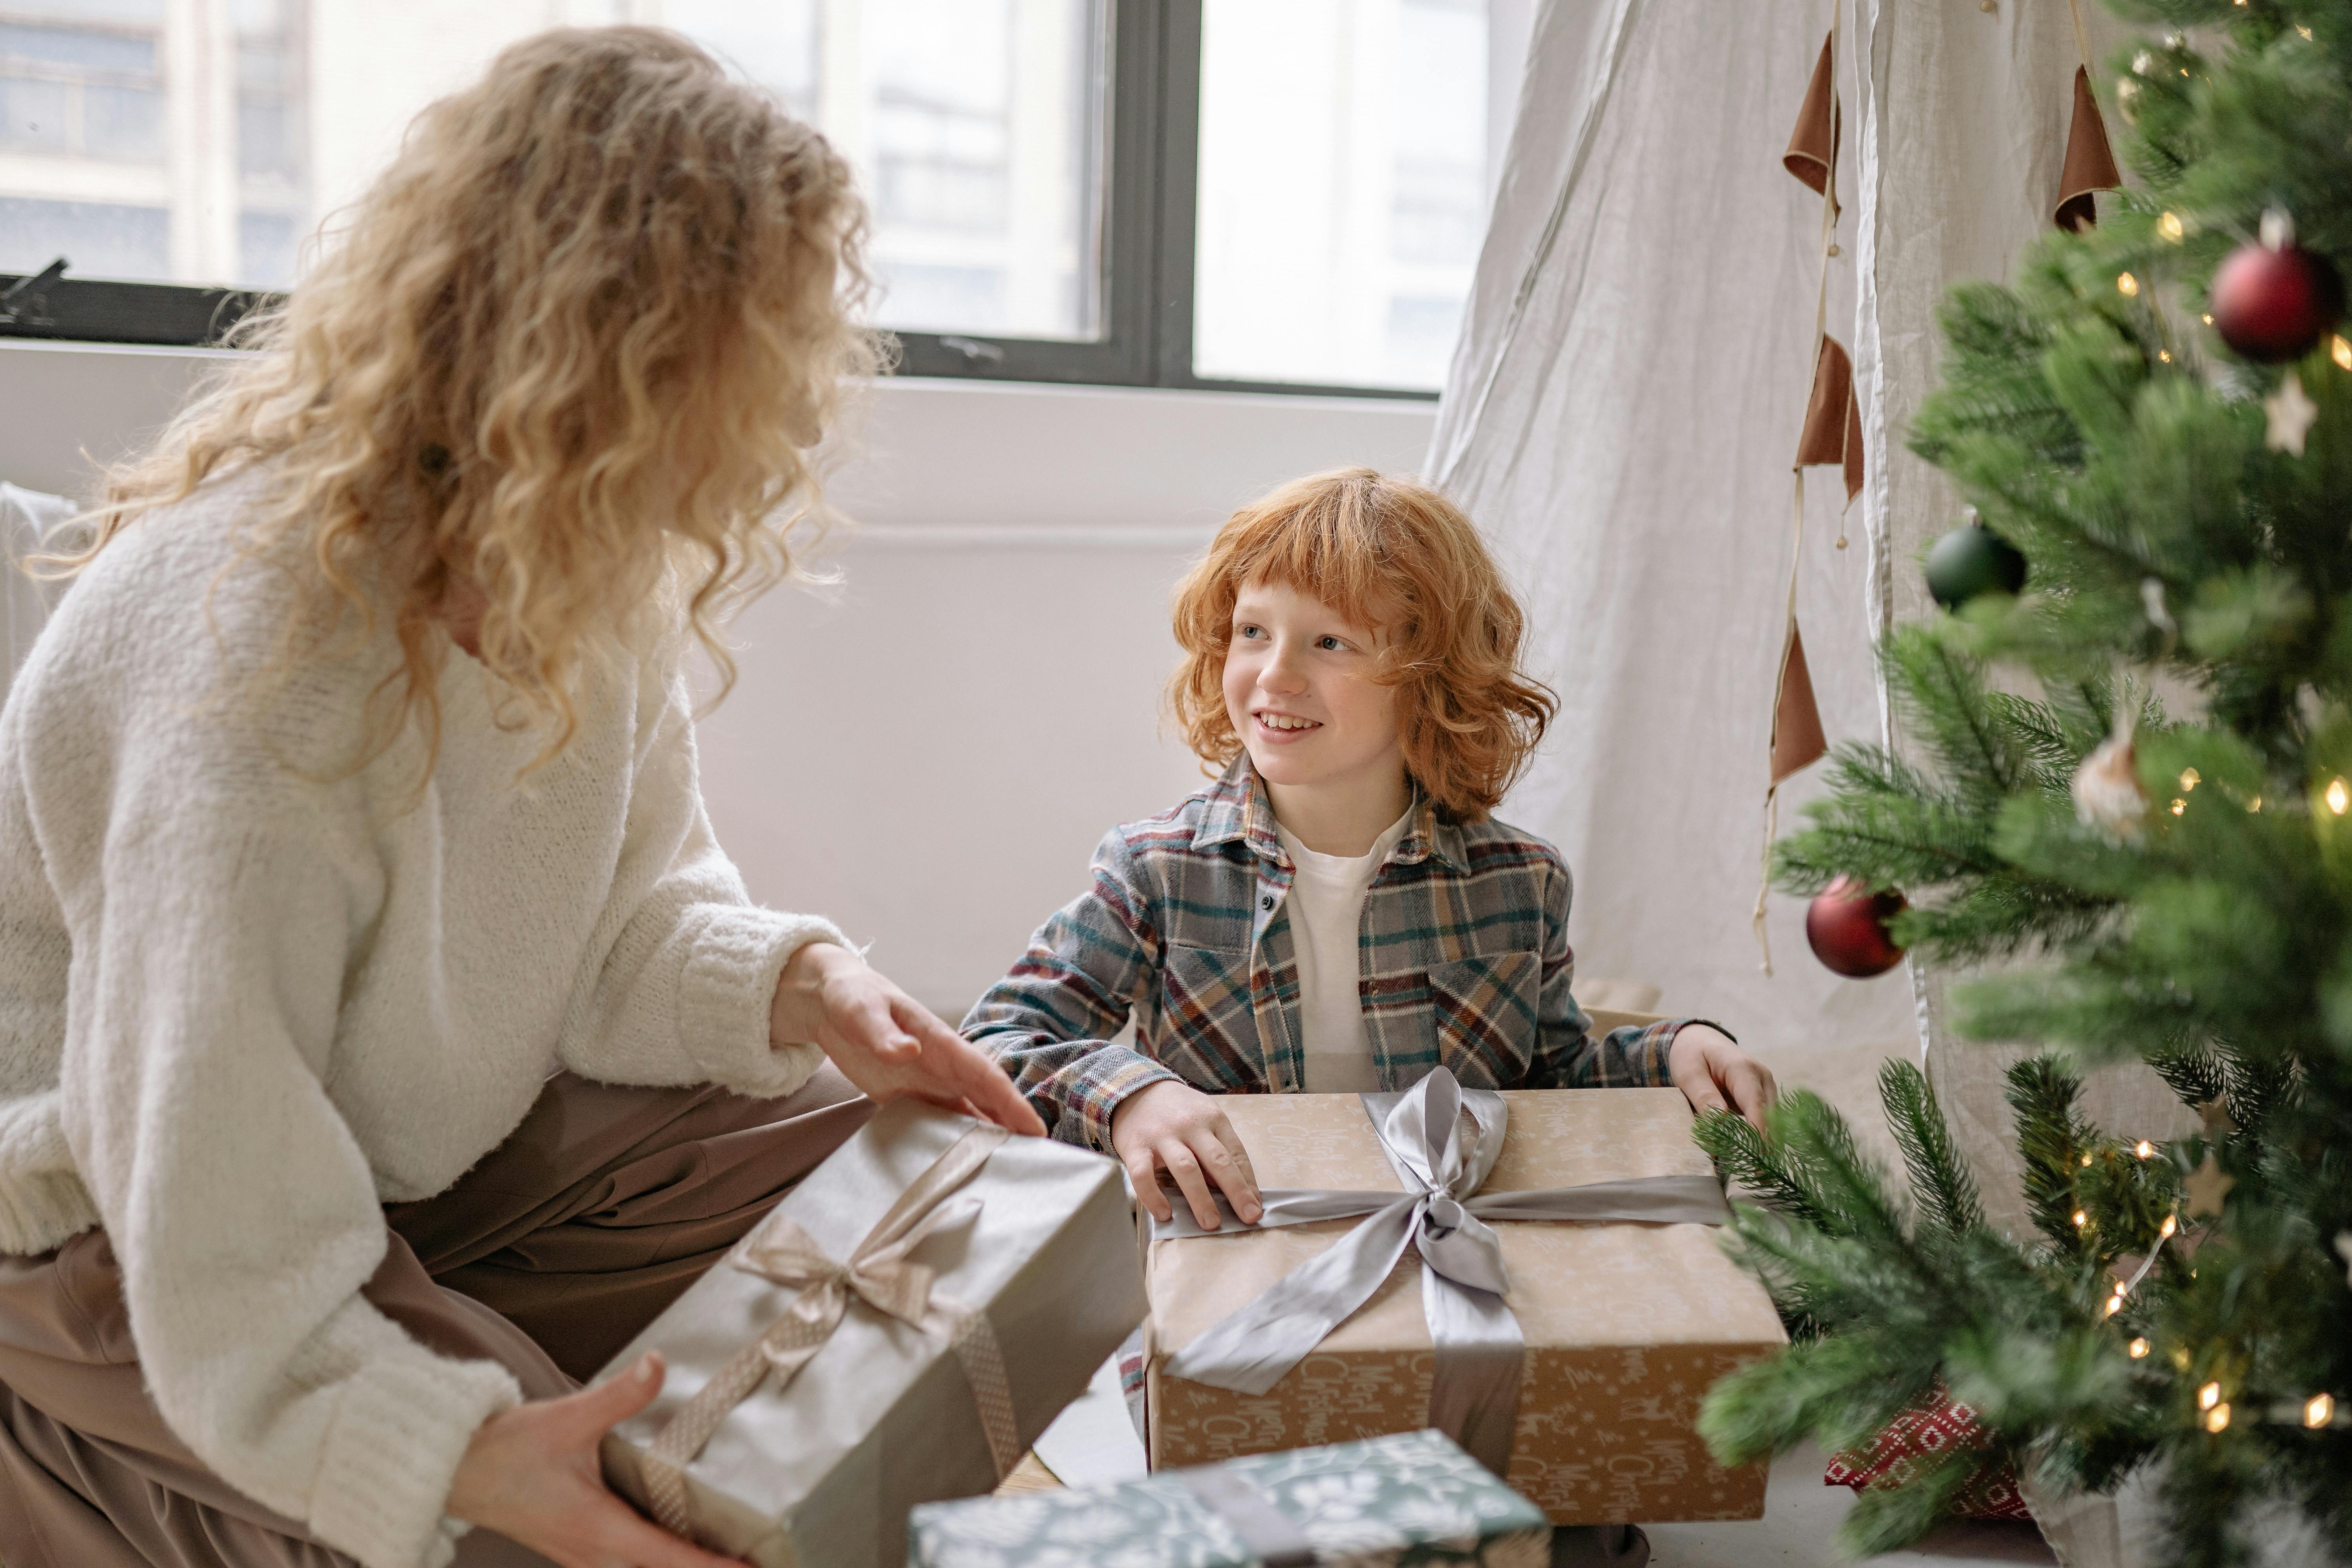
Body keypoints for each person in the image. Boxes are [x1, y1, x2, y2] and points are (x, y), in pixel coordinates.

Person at [0, 28, 1042, 1568]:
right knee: (542, 1500)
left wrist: (808, 984)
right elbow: (211, 1176)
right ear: (615, 345)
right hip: (116, 1199)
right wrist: (467, 1452)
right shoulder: (248, 653)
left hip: (395, 1149)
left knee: (900, 1207)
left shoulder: (577, 567)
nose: (796, 413)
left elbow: (621, 918)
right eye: (767, 354)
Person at [963, 469, 1776, 1232]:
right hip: (1232, 1266)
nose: (1274, 675)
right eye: (1253, 631)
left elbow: (1548, 1077)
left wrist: (1676, 1052)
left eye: (1331, 643)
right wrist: (1130, 1094)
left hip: (1453, 1262)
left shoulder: (1520, 882)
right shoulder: (1157, 871)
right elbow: (994, 1044)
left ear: (1431, 675)